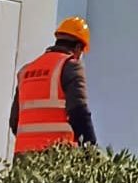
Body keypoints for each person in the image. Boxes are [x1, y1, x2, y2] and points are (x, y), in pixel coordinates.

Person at [10, 17, 96, 151]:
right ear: (78, 47)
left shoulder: (26, 71)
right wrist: (91, 148)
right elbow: (79, 112)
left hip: (24, 157)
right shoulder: (70, 66)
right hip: (56, 157)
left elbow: (14, 121)